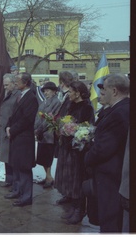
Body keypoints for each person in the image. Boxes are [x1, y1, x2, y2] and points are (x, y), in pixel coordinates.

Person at [84, 73, 130, 232]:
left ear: (115, 91)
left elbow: (104, 148)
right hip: (113, 175)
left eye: (105, 89)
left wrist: (87, 157)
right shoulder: (121, 108)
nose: (101, 92)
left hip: (111, 177)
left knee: (110, 219)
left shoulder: (119, 112)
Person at [55, 81, 95, 225]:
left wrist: (73, 129)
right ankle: (73, 206)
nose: (69, 94)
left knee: (77, 180)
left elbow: (88, 130)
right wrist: (61, 128)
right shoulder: (70, 104)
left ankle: (79, 209)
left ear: (78, 93)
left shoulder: (87, 107)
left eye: (71, 91)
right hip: (66, 147)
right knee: (70, 179)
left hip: (78, 151)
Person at [5, 72, 38, 207]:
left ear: (25, 83)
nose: (16, 82)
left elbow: (26, 120)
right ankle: (18, 190)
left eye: (18, 81)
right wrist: (8, 126)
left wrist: (12, 130)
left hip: (24, 139)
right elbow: (14, 115)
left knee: (24, 168)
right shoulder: (21, 95)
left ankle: (26, 196)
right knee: (17, 165)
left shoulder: (31, 98)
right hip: (17, 138)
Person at [34, 81, 61, 188]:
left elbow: (51, 119)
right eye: (44, 91)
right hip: (42, 134)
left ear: (54, 91)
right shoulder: (44, 102)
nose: (46, 93)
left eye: (48, 90)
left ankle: (49, 177)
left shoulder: (56, 102)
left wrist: (39, 129)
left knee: (47, 157)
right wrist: (35, 128)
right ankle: (47, 176)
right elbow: (38, 116)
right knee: (42, 157)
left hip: (49, 134)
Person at [0, 73, 20, 188]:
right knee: (6, 157)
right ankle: (9, 180)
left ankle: (15, 182)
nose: (5, 87)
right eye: (4, 85)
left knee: (12, 158)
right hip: (4, 130)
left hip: (10, 130)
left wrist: (11, 128)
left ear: (13, 84)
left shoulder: (17, 95)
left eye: (6, 85)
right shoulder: (9, 94)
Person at [54, 70, 74, 205]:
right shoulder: (64, 95)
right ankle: (66, 193)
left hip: (68, 137)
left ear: (62, 82)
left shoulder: (69, 97)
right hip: (62, 136)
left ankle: (70, 195)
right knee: (63, 168)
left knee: (68, 169)